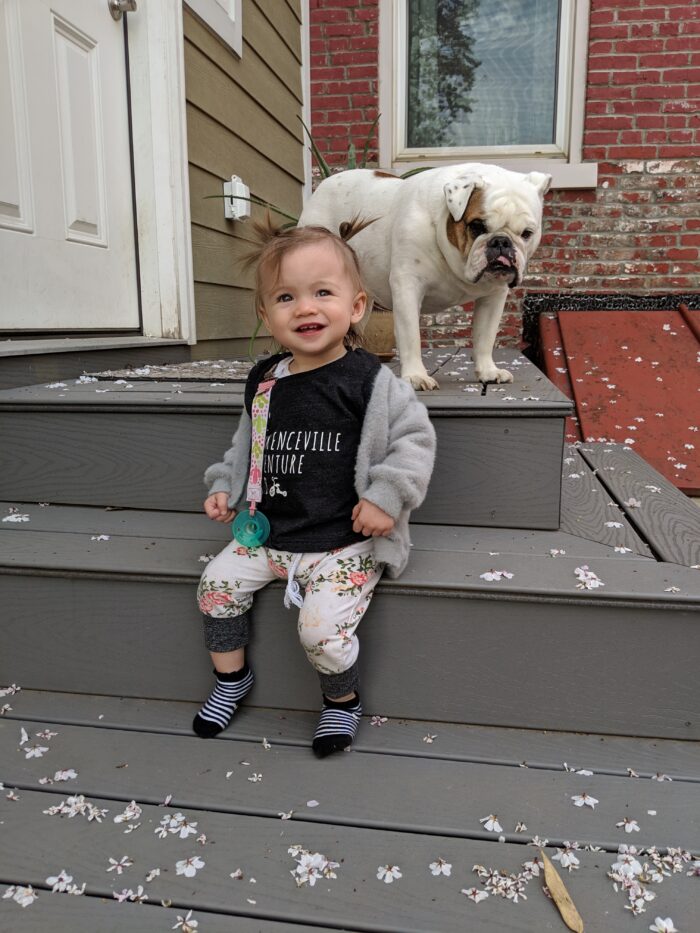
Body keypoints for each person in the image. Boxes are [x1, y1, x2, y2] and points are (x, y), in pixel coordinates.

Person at [194, 218, 436, 757]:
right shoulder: (265, 380)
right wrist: (224, 484)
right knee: (215, 588)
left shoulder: (370, 381)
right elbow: (246, 442)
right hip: (269, 535)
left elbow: (415, 441)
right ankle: (231, 679)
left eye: (322, 292)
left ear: (356, 306)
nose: (305, 308)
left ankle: (340, 702)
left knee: (320, 631)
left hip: (341, 543)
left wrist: (386, 497)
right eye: (286, 297)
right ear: (266, 314)